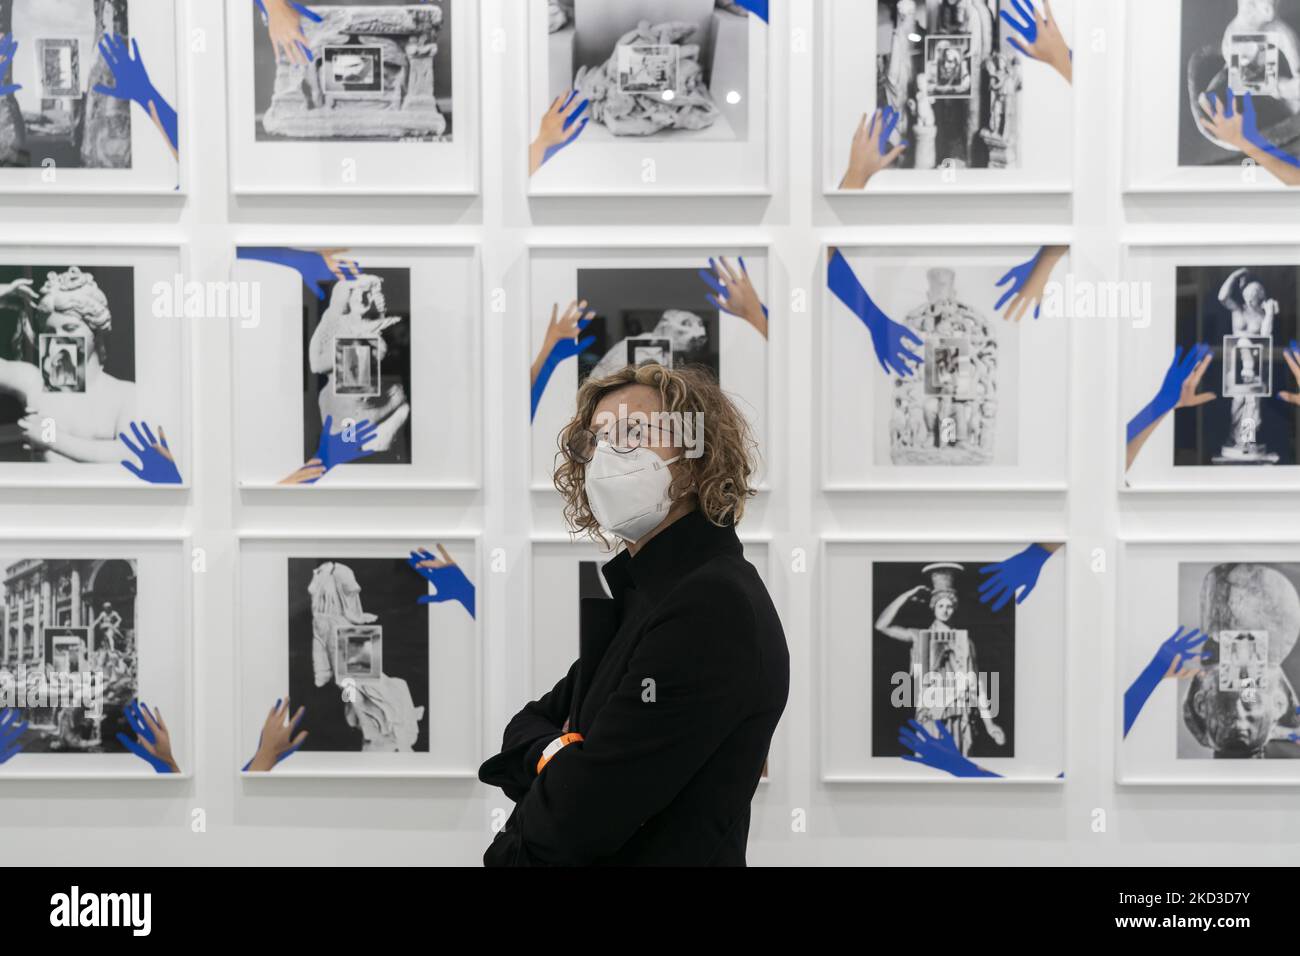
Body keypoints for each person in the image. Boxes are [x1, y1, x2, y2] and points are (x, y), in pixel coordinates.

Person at [479, 363, 788, 866]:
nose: (606, 457)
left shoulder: (709, 606)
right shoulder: (653, 593)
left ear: (693, 462)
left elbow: (575, 817)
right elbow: (529, 724)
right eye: (597, 439)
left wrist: (552, 759)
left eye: (634, 435)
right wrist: (558, 754)